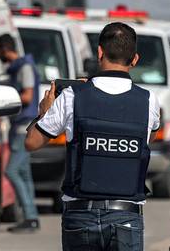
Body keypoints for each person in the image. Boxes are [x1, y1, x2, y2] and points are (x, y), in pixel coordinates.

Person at [24, 22, 162, 251]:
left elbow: (31, 142)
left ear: (99, 53)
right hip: (126, 216)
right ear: (135, 59)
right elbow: (148, 139)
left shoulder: (72, 96)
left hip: (81, 216)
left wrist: (43, 113)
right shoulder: (149, 100)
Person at [0, 36, 41, 233]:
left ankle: (30, 216)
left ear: (5, 49)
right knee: (23, 173)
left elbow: (28, 96)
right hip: (20, 126)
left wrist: (5, 99)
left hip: (23, 127)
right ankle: (31, 218)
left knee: (11, 171)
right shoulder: (17, 68)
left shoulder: (24, 68)